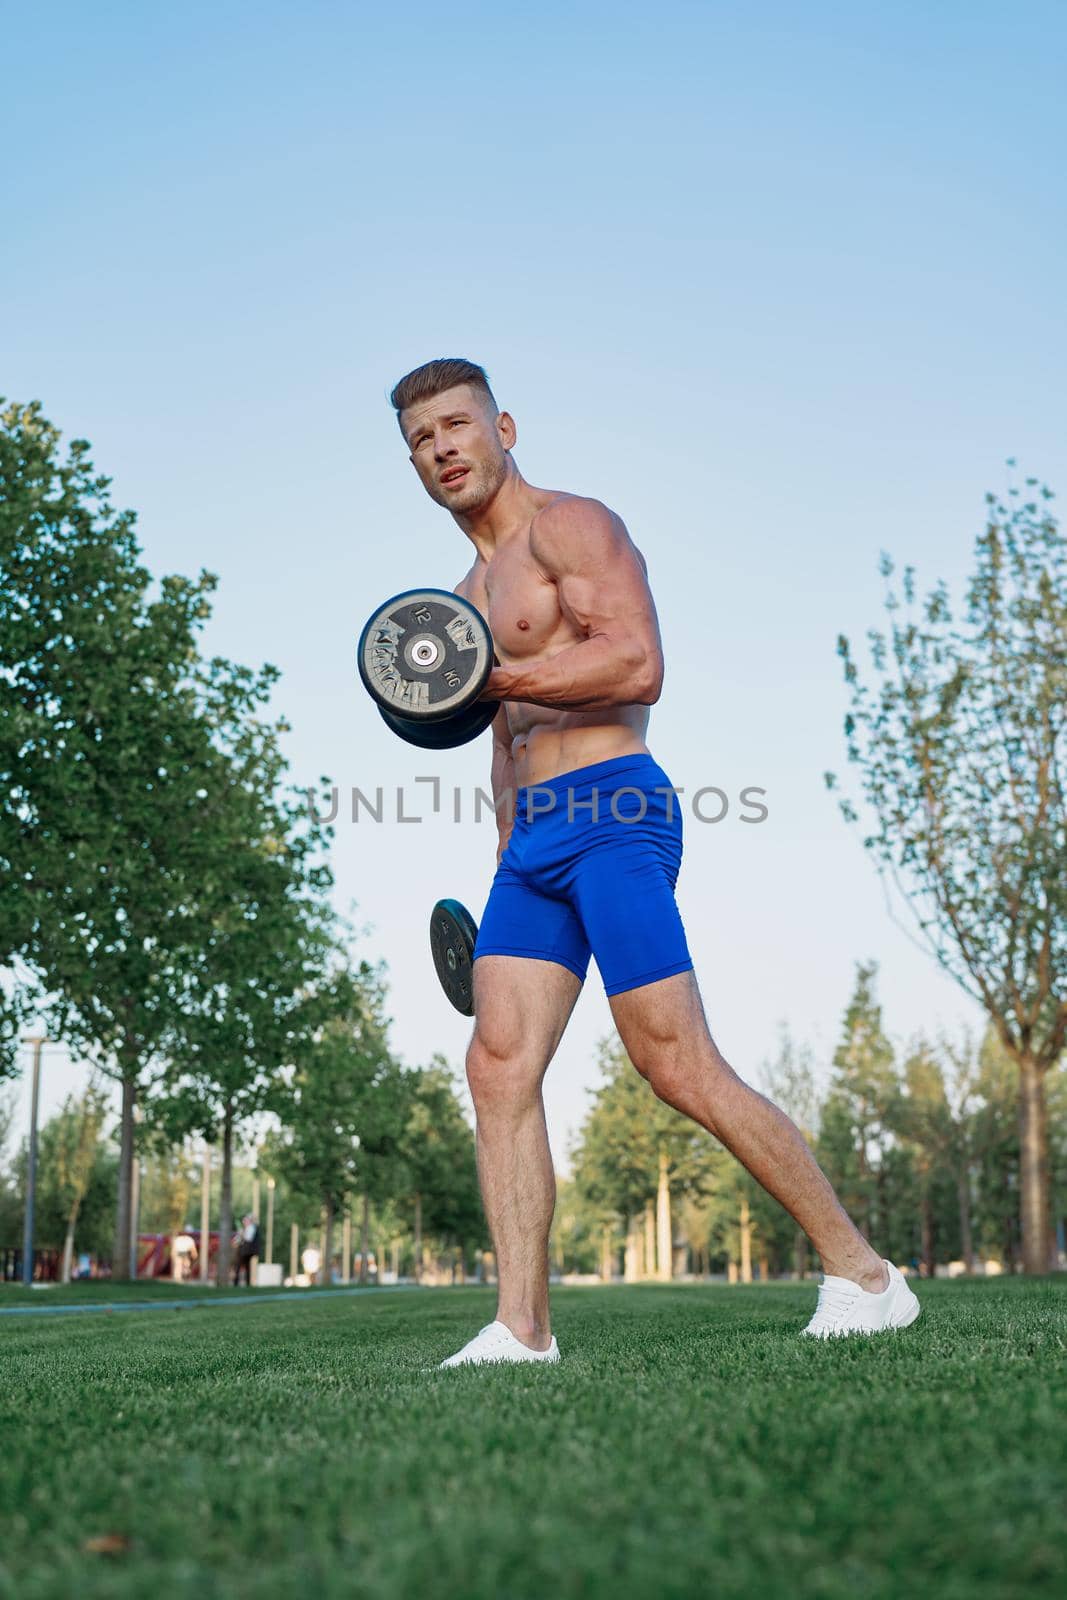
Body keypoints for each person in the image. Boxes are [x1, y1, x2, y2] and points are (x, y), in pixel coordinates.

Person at [389, 358, 921, 1366]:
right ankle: (520, 1327)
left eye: (455, 425)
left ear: (502, 424)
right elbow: (505, 742)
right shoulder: (463, 596)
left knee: (671, 1059)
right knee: (495, 1066)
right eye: (420, 441)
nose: (442, 449)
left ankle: (863, 1274)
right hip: (530, 845)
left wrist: (496, 674)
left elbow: (638, 663)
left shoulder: (571, 527)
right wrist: (503, 843)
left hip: (612, 806)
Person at [233, 1214, 261, 1287]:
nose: (244, 1222)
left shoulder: (251, 1228)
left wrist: (242, 1234)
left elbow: (248, 1239)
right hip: (244, 1250)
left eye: (245, 1220)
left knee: (239, 1266)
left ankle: (237, 1282)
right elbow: (237, 1240)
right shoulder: (246, 1228)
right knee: (246, 1267)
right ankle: (245, 1283)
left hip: (246, 1251)